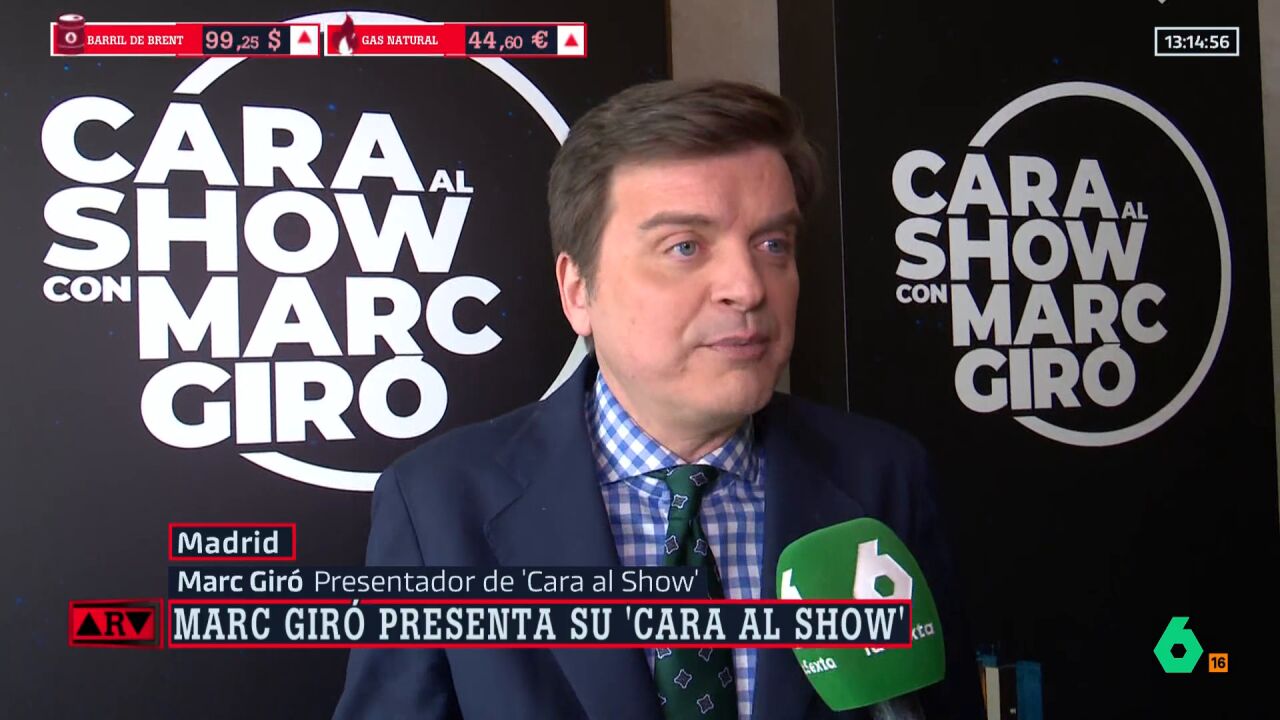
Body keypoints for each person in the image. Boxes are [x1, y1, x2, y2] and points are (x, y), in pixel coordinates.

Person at [334, 79, 982, 719]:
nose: (747, 287)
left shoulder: (883, 478)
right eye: (684, 247)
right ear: (578, 290)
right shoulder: (439, 506)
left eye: (773, 245)